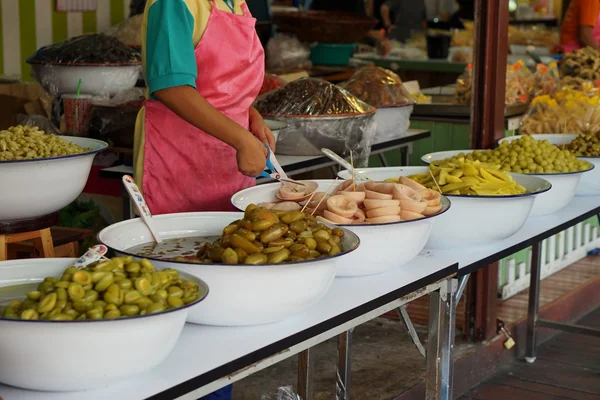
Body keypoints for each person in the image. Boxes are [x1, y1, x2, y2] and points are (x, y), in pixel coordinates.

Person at [134, 0, 275, 220]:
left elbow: (221, 83)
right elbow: (171, 88)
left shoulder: (236, 3)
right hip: (178, 163)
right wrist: (241, 139)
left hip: (229, 165)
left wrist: (250, 114)